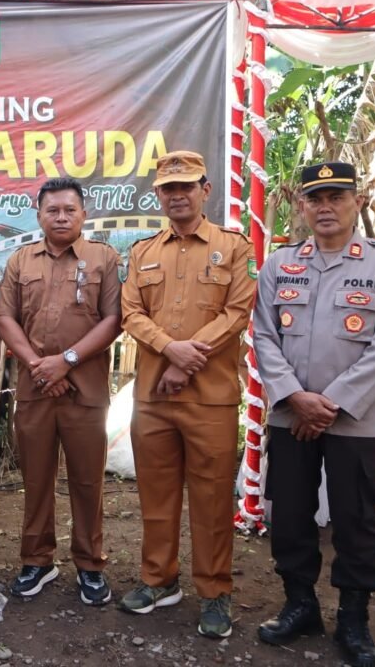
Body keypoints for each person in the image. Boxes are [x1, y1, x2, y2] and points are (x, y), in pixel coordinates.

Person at [253, 161, 375, 667]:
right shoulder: (280, 265)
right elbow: (262, 335)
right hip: (289, 416)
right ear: (301, 205)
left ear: (357, 202)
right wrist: (295, 398)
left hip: (356, 421)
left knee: (354, 519)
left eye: (337, 197)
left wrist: (331, 405)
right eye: (315, 198)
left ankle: (353, 619)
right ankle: (300, 605)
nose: (325, 207)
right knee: (291, 517)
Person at [118, 150, 255, 638]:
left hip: (211, 398)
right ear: (158, 194)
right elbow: (131, 313)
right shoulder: (142, 252)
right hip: (152, 399)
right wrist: (171, 350)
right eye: (168, 188)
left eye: (187, 186)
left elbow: (238, 311)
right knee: (155, 496)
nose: (177, 195)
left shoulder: (234, 247)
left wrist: (188, 358)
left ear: (205, 191)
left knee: (213, 499)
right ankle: (159, 580)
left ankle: (215, 592)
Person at [0, 177, 122, 605]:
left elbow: (113, 320)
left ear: (84, 214)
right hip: (34, 391)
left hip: (84, 393)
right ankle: (37, 561)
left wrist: (64, 361)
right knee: (36, 480)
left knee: (87, 482)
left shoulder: (104, 258)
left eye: (70, 209)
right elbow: (5, 319)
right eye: (53, 210)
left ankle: (90, 565)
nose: (62, 216)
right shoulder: (20, 261)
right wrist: (38, 365)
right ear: (40, 216)